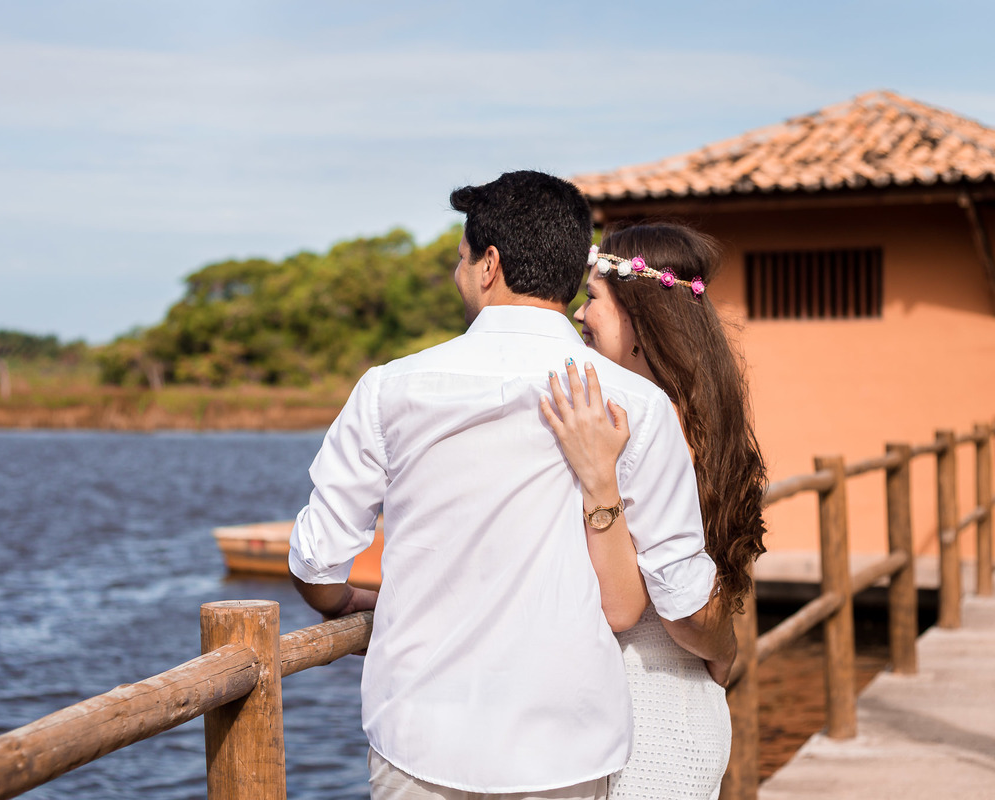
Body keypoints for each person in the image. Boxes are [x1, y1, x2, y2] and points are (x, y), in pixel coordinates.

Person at [288, 171, 723, 799]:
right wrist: (727, 651)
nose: (458, 274)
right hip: (567, 744)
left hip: (419, 736)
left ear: (489, 264)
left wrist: (340, 605)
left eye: (461, 259)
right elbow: (672, 596)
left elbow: (317, 559)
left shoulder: (389, 389)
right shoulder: (636, 404)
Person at [541, 221, 768, 799]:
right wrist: (726, 649)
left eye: (593, 297)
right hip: (678, 700)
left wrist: (723, 646)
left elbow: (681, 605)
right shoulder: (707, 422)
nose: (578, 314)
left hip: (643, 716)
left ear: (639, 320)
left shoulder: (634, 428)